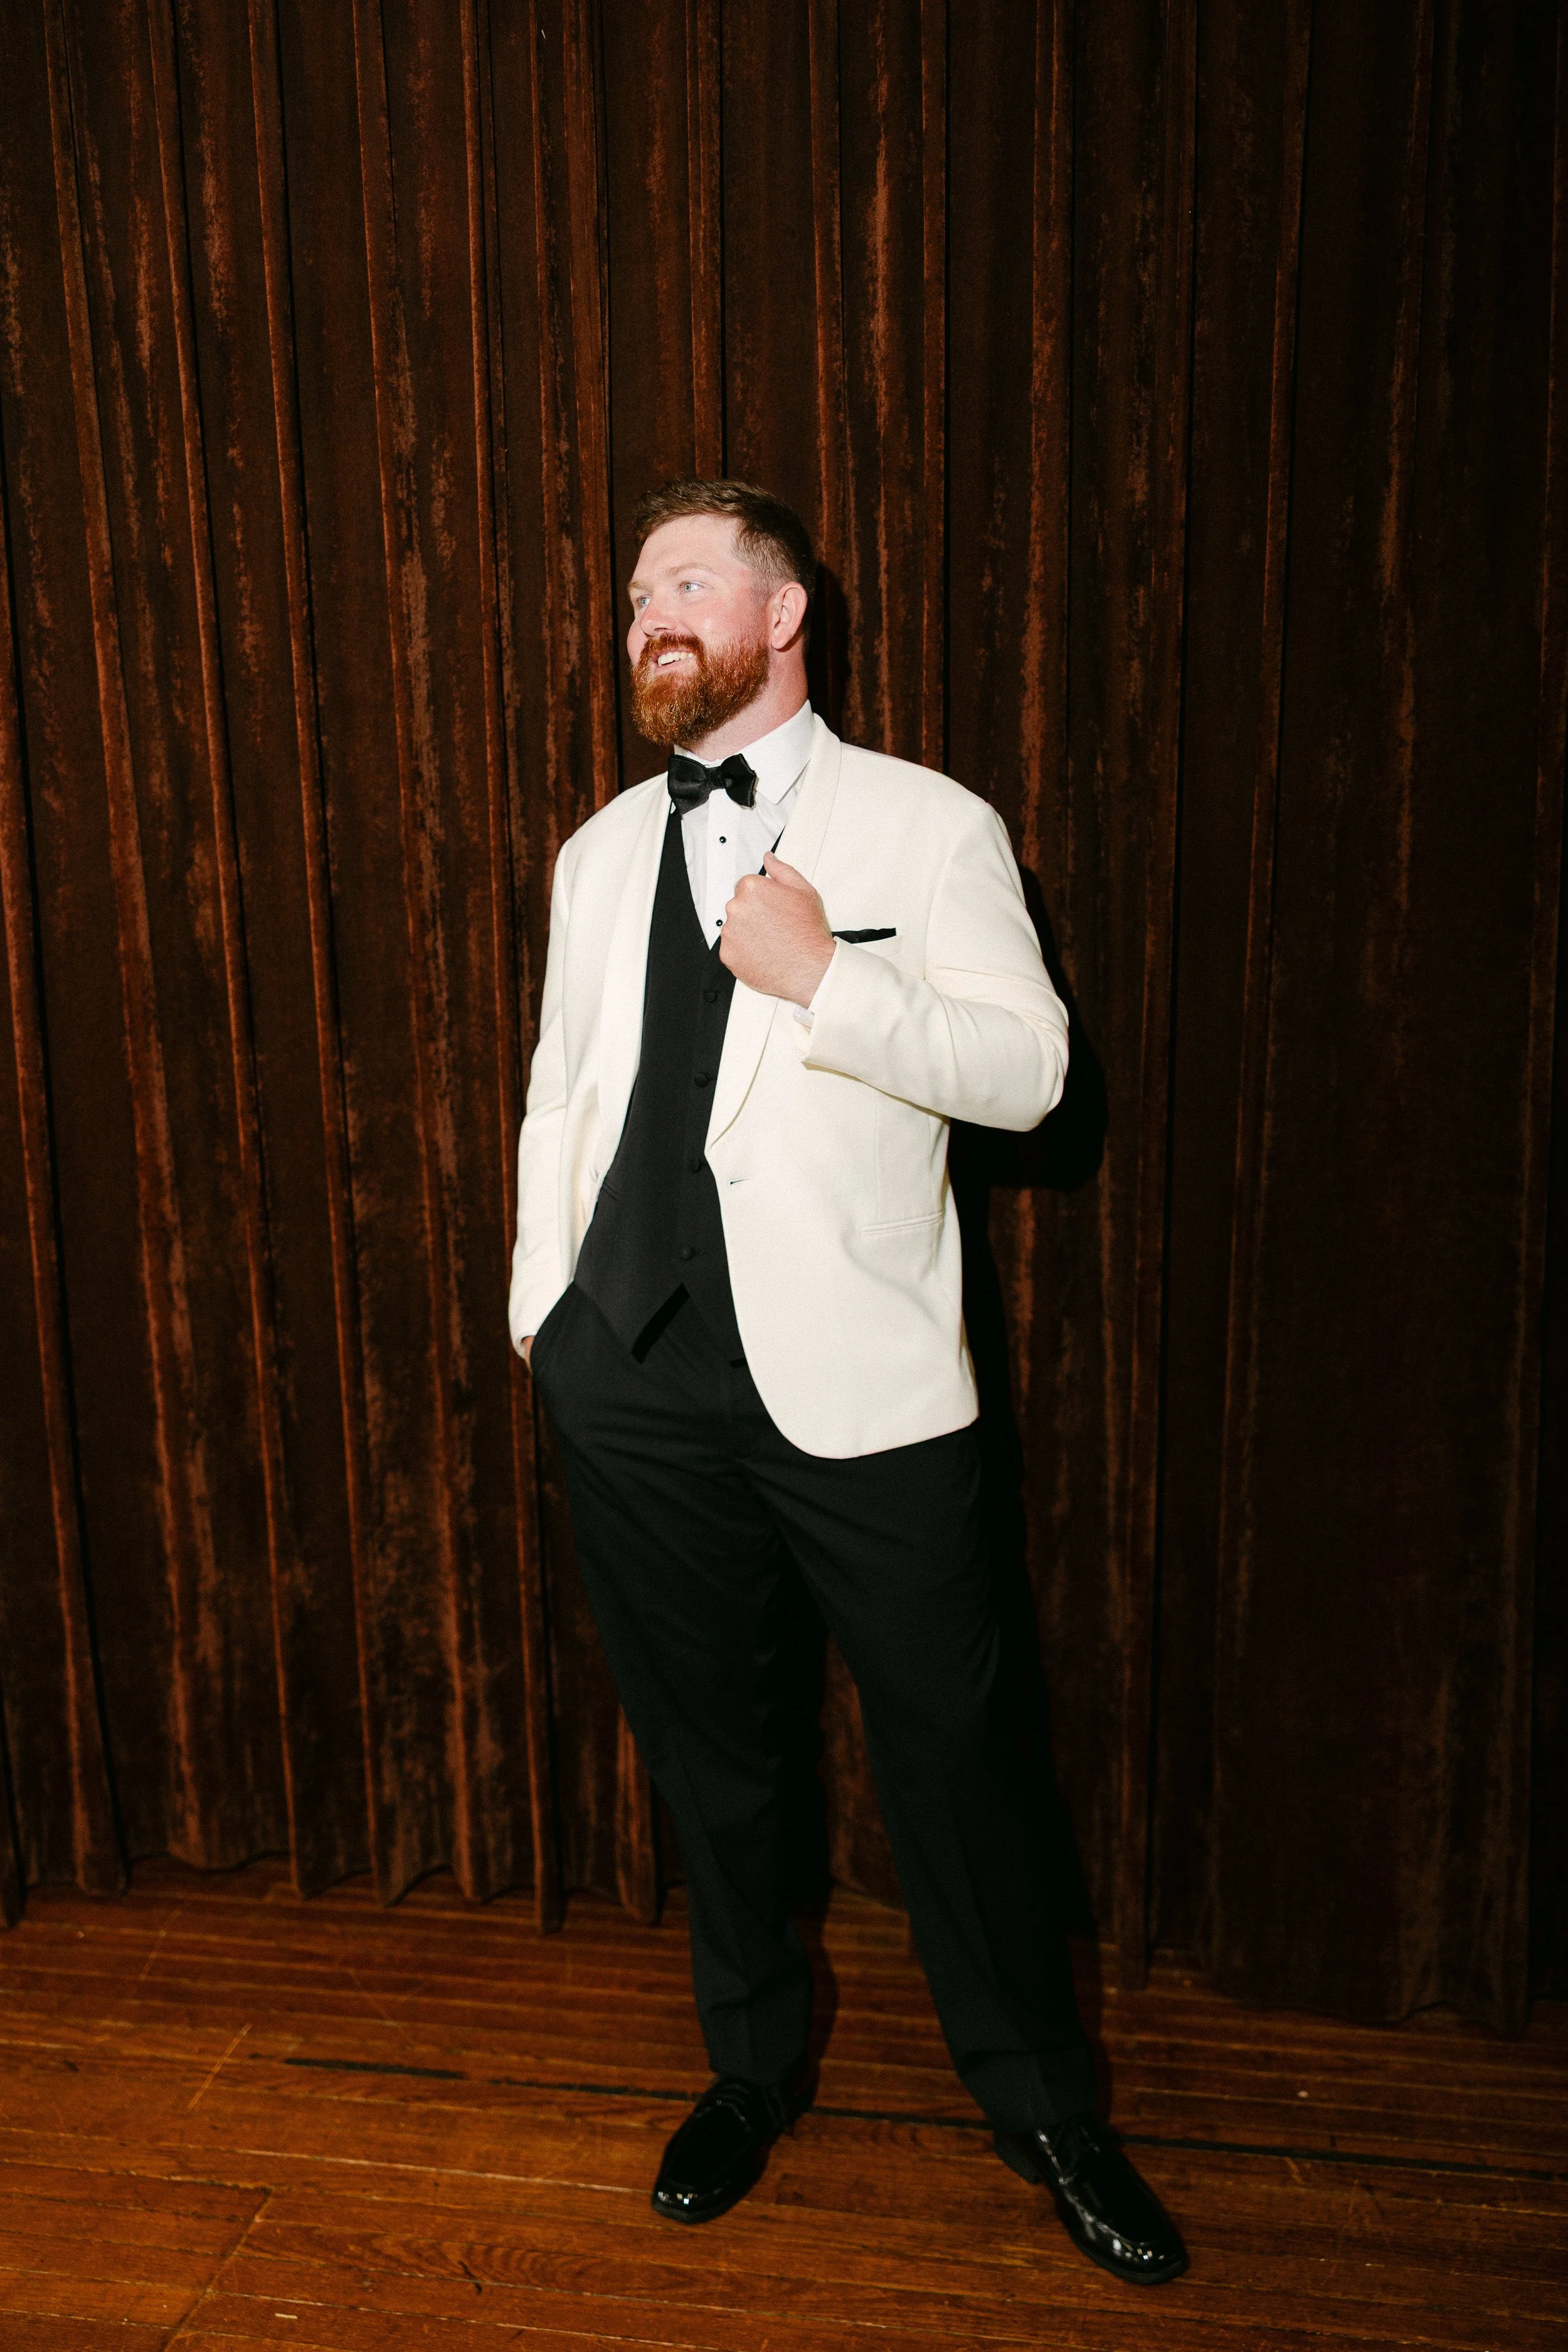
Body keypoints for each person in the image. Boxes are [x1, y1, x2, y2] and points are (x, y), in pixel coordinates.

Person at [509, 477, 1184, 2286]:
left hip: (862, 1394)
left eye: (690, 578)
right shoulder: (590, 854)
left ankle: (1043, 2101)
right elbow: (562, 1101)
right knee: (714, 1761)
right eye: (637, 583)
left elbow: (1034, 1074)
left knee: (957, 1755)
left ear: (784, 612)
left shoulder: (925, 823)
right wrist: (545, 1319)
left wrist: (825, 981)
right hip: (631, 1380)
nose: (649, 606)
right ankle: (746, 2066)